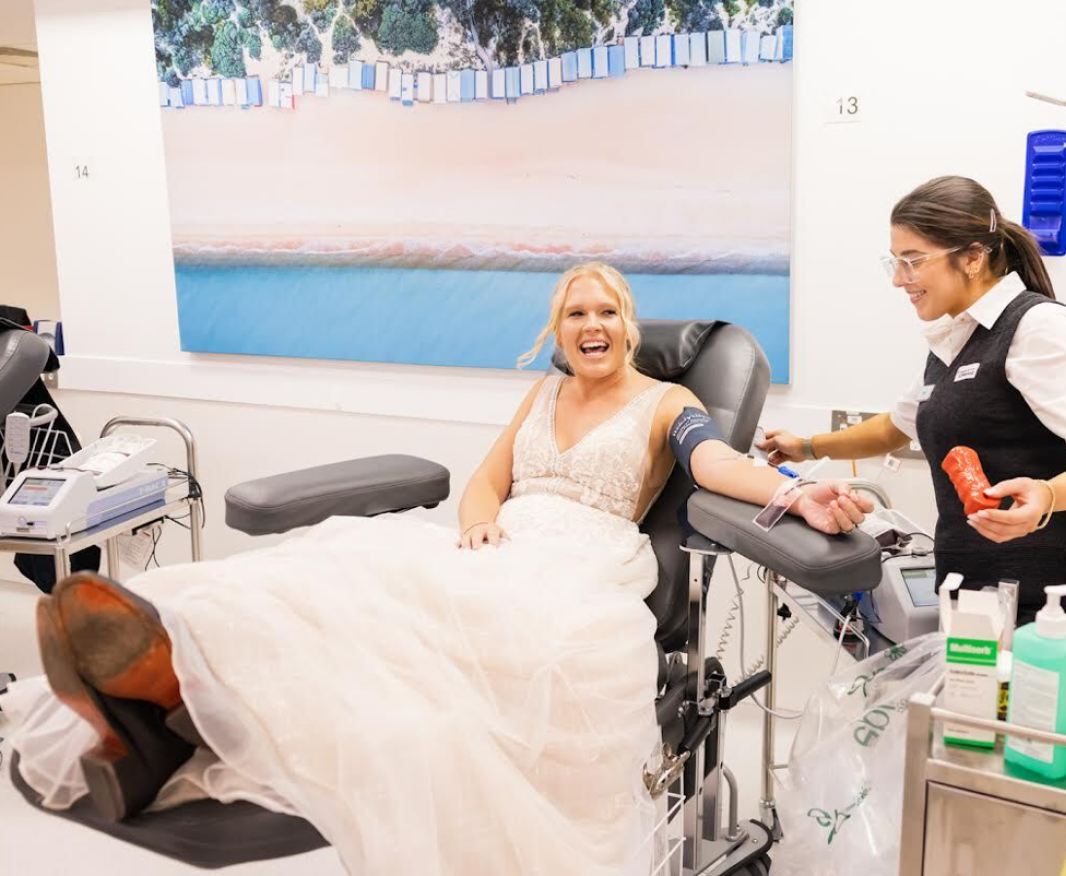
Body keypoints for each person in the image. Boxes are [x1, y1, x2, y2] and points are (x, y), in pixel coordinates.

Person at [9, 262, 871, 876]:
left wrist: (794, 495)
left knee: (431, 657)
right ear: (557, 330)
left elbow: (715, 466)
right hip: (500, 547)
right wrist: (479, 527)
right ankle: (166, 676)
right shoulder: (541, 394)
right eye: (575, 315)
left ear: (629, 323)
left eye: (606, 311)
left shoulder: (667, 402)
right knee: (338, 583)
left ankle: (178, 697)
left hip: (581, 569)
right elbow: (486, 482)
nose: (593, 327)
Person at [758, 177, 1066, 635]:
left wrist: (1048, 496)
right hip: (976, 605)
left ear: (974, 257)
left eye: (913, 261)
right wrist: (805, 446)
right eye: (895, 262)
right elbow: (894, 428)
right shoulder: (954, 340)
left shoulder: (1041, 329)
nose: (900, 279)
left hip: (1052, 612)